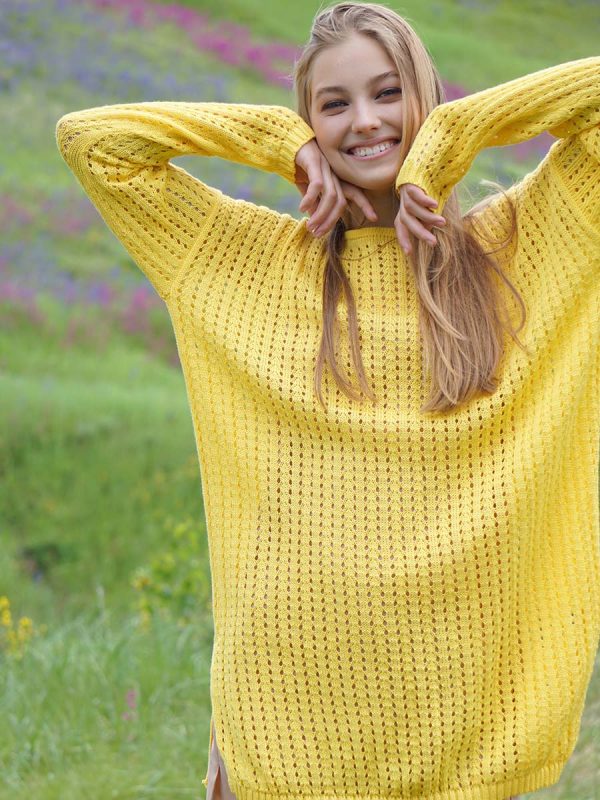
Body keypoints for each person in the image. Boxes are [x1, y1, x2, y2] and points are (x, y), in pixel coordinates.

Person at [55, 2, 599, 799]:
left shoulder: (523, 248)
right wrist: (279, 143)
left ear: (424, 95)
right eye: (334, 105)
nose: (366, 122)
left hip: (465, 744)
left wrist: (452, 136)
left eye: (389, 93)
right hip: (286, 743)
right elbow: (93, 145)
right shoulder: (240, 261)